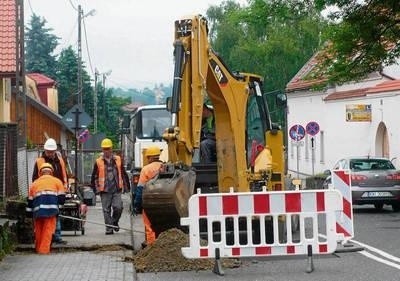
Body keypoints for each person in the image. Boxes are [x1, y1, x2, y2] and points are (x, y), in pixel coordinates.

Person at [32, 138, 68, 244]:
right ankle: (50, 236)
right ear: (45, 150)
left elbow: (63, 175)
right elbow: (35, 178)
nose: (50, 154)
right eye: (48, 152)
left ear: (55, 151)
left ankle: (56, 236)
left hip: (56, 191)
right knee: (48, 214)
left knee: (56, 213)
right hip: (43, 192)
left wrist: (64, 190)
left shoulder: (59, 161)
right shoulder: (39, 161)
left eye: (52, 152)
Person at [91, 138, 130, 235]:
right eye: (104, 149)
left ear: (111, 148)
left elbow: (123, 173)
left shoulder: (118, 159)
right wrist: (96, 190)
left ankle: (114, 222)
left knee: (118, 207)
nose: (106, 151)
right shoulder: (98, 162)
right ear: (102, 149)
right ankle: (109, 229)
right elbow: (94, 177)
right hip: (105, 190)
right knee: (106, 210)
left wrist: (126, 186)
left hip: (116, 188)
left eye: (108, 148)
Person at [26, 163, 66, 254]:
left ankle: (38, 248)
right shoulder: (57, 181)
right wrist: (58, 209)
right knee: (48, 230)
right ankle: (43, 251)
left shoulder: (34, 183)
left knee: (38, 230)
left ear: (40, 172)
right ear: (51, 171)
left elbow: (30, 201)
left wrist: (28, 213)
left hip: (37, 211)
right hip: (51, 211)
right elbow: (62, 199)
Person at [132, 146, 164, 247]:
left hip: (149, 201)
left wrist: (137, 205)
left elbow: (140, 188)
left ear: (150, 157)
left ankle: (151, 247)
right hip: (164, 200)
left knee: (149, 225)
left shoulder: (146, 169)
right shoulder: (165, 166)